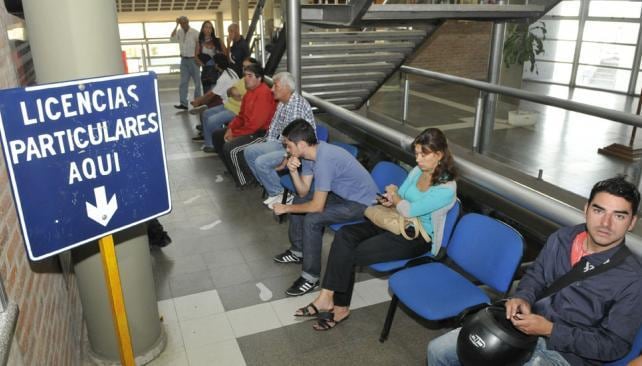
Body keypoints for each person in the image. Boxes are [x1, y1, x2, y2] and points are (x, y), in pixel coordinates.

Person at [427, 176, 642, 366]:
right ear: (586, 209)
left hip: (566, 354)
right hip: (524, 325)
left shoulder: (632, 279)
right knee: (438, 351)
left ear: (632, 222)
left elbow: (615, 346)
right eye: (599, 210)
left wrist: (550, 330)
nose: (606, 223)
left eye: (619, 216)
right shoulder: (562, 238)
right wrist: (523, 297)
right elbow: (536, 275)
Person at [293, 128, 457, 329]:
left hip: (416, 238)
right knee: (346, 235)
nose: (418, 159)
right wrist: (391, 199)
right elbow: (401, 195)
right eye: (416, 153)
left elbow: (409, 208)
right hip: (394, 221)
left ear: (439, 155)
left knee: (349, 253)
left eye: (424, 154)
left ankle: (337, 305)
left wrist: (396, 198)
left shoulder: (446, 188)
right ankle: (328, 298)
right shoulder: (418, 171)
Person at [272, 120, 379, 296]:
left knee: (313, 219)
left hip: (362, 203)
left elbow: (317, 206)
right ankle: (298, 251)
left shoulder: (324, 160)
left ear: (302, 144)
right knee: (300, 200)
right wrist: (292, 172)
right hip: (342, 195)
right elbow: (303, 190)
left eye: (289, 146)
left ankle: (310, 278)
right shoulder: (309, 155)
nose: (287, 151)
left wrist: (286, 208)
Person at [244, 72, 316, 206]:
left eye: (275, 86)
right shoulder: (283, 102)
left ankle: (281, 193)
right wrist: (267, 146)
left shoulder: (296, 105)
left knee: (261, 162)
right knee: (249, 152)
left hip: (298, 150)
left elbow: (295, 142)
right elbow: (274, 128)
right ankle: (272, 187)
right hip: (284, 144)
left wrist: (285, 158)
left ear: (286, 88)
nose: (271, 89)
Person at [211, 63, 275, 182]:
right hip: (248, 129)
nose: (246, 78)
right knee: (217, 136)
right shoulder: (249, 92)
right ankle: (233, 169)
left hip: (261, 133)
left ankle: (245, 180)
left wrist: (234, 134)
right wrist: (230, 128)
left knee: (230, 147)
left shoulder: (263, 94)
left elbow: (255, 126)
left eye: (250, 76)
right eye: (245, 75)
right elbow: (241, 116)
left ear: (259, 78)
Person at [198, 57, 257, 151]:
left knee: (212, 121)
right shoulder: (243, 78)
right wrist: (232, 92)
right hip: (229, 104)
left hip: (237, 110)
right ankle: (209, 143)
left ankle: (217, 146)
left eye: (247, 66)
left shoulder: (253, 81)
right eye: (243, 66)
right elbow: (230, 92)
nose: (244, 69)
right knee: (206, 113)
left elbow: (247, 99)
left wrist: (235, 94)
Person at [190, 54, 239, 140]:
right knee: (206, 113)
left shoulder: (224, 77)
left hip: (231, 106)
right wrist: (201, 100)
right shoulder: (231, 71)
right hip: (228, 103)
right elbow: (213, 91)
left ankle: (212, 143)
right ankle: (207, 138)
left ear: (216, 65)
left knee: (211, 119)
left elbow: (211, 94)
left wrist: (199, 101)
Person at [170, 16, 201, 110]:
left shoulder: (195, 32)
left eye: (184, 23)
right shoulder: (179, 31)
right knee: (183, 82)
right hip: (184, 60)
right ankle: (183, 103)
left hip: (193, 60)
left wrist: (197, 58)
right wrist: (176, 25)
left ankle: (197, 102)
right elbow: (172, 38)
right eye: (181, 23)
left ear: (188, 22)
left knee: (197, 83)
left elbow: (199, 46)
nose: (183, 25)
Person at [197, 20, 226, 93]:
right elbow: (195, 56)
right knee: (207, 92)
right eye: (206, 27)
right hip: (206, 71)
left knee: (216, 92)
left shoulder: (218, 41)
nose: (208, 29)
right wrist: (203, 65)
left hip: (218, 70)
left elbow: (225, 53)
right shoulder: (199, 42)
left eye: (210, 27)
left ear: (212, 30)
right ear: (203, 29)